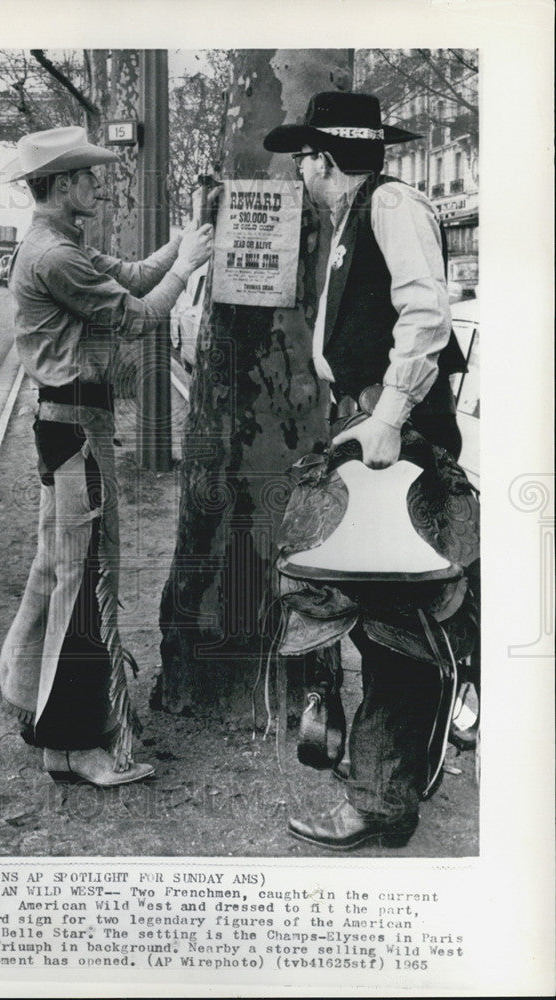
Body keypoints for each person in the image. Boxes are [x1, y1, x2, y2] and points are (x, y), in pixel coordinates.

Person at [263, 92, 470, 849]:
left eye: (303, 160)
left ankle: (379, 803)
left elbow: (425, 312)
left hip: (394, 433)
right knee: (374, 617)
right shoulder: (359, 214)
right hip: (370, 426)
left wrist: (386, 415)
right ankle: (385, 786)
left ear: (321, 159)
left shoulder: (390, 204)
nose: (301, 172)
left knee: (394, 625)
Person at [0, 126, 213, 788]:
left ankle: (29, 697)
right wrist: (190, 264)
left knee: (56, 573)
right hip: (75, 429)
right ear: (63, 186)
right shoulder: (54, 257)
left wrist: (184, 240)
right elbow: (143, 313)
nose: (99, 185)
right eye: (88, 178)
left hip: (67, 425)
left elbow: (137, 275)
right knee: (85, 582)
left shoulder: (60, 245)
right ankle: (72, 744)